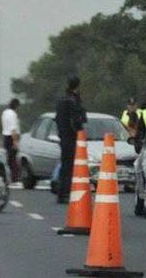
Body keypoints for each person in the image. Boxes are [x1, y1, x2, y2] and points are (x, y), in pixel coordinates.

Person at [55, 76, 86, 204]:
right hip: (71, 137)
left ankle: (61, 192)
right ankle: (66, 192)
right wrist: (79, 132)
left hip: (63, 137)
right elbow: (77, 120)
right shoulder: (72, 101)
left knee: (65, 165)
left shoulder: (61, 101)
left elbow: (57, 119)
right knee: (70, 166)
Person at [1, 98, 21, 184]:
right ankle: (14, 177)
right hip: (11, 137)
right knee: (13, 159)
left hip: (5, 136)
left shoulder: (5, 113)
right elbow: (13, 129)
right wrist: (15, 142)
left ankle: (6, 177)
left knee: (8, 158)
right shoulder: (13, 114)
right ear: (16, 106)